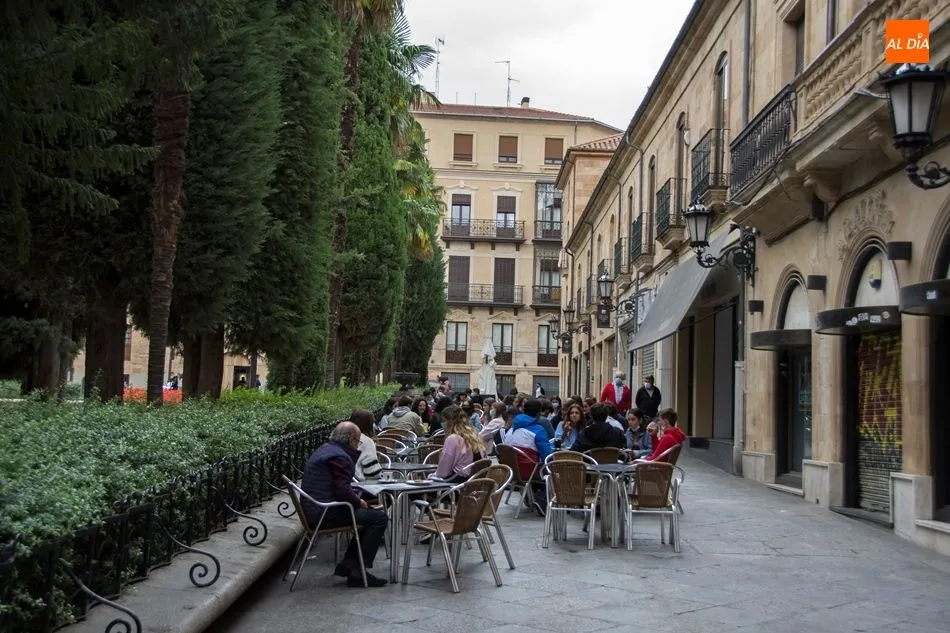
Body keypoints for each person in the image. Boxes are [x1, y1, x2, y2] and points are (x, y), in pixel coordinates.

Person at [301, 422, 389, 587]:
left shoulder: (326, 449)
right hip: (325, 513)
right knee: (379, 518)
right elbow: (342, 491)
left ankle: (348, 565)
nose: (358, 446)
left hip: (317, 509)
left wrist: (357, 501)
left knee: (369, 516)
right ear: (350, 439)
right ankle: (359, 571)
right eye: (357, 441)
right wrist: (358, 501)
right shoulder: (340, 457)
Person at [503, 397, 553, 515]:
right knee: (552, 468)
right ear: (538, 413)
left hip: (513, 471)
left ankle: (533, 496)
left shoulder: (511, 429)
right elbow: (548, 456)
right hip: (529, 471)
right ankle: (543, 500)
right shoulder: (538, 430)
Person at [431, 405, 485, 483]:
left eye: (444, 421)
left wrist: (430, 476)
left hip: (455, 485)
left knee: (416, 491)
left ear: (449, 422)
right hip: (473, 483)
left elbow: (443, 472)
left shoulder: (453, 439)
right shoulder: (474, 435)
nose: (443, 424)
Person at [349, 409, 383, 481]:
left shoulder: (341, 437)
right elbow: (372, 473)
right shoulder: (367, 442)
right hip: (359, 485)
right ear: (369, 424)